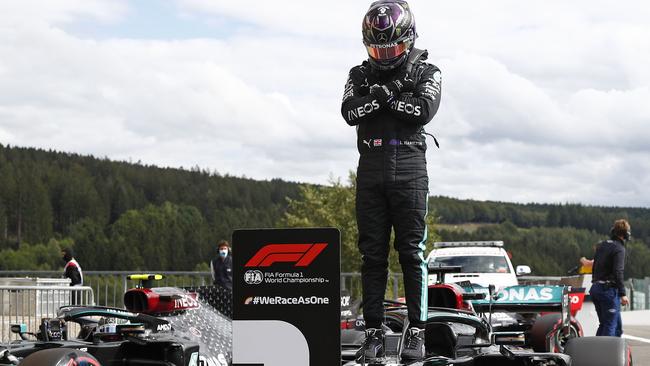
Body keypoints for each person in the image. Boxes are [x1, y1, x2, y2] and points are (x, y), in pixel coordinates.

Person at [340, 0, 441, 361]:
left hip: (411, 168)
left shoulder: (428, 71)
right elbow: (350, 112)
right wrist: (394, 91)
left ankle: (417, 332)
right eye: (378, 48)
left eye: (393, 48)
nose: (385, 55)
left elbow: (422, 111)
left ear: (409, 38)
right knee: (372, 256)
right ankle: (374, 335)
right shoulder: (358, 74)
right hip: (370, 168)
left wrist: (381, 97)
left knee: (412, 253)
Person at [590, 219, 631, 337]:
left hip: (596, 288)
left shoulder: (602, 245)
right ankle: (605, 354)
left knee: (614, 327)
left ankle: (601, 351)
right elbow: (618, 271)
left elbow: (595, 266)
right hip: (608, 291)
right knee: (609, 326)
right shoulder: (619, 248)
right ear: (626, 234)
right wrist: (623, 294)